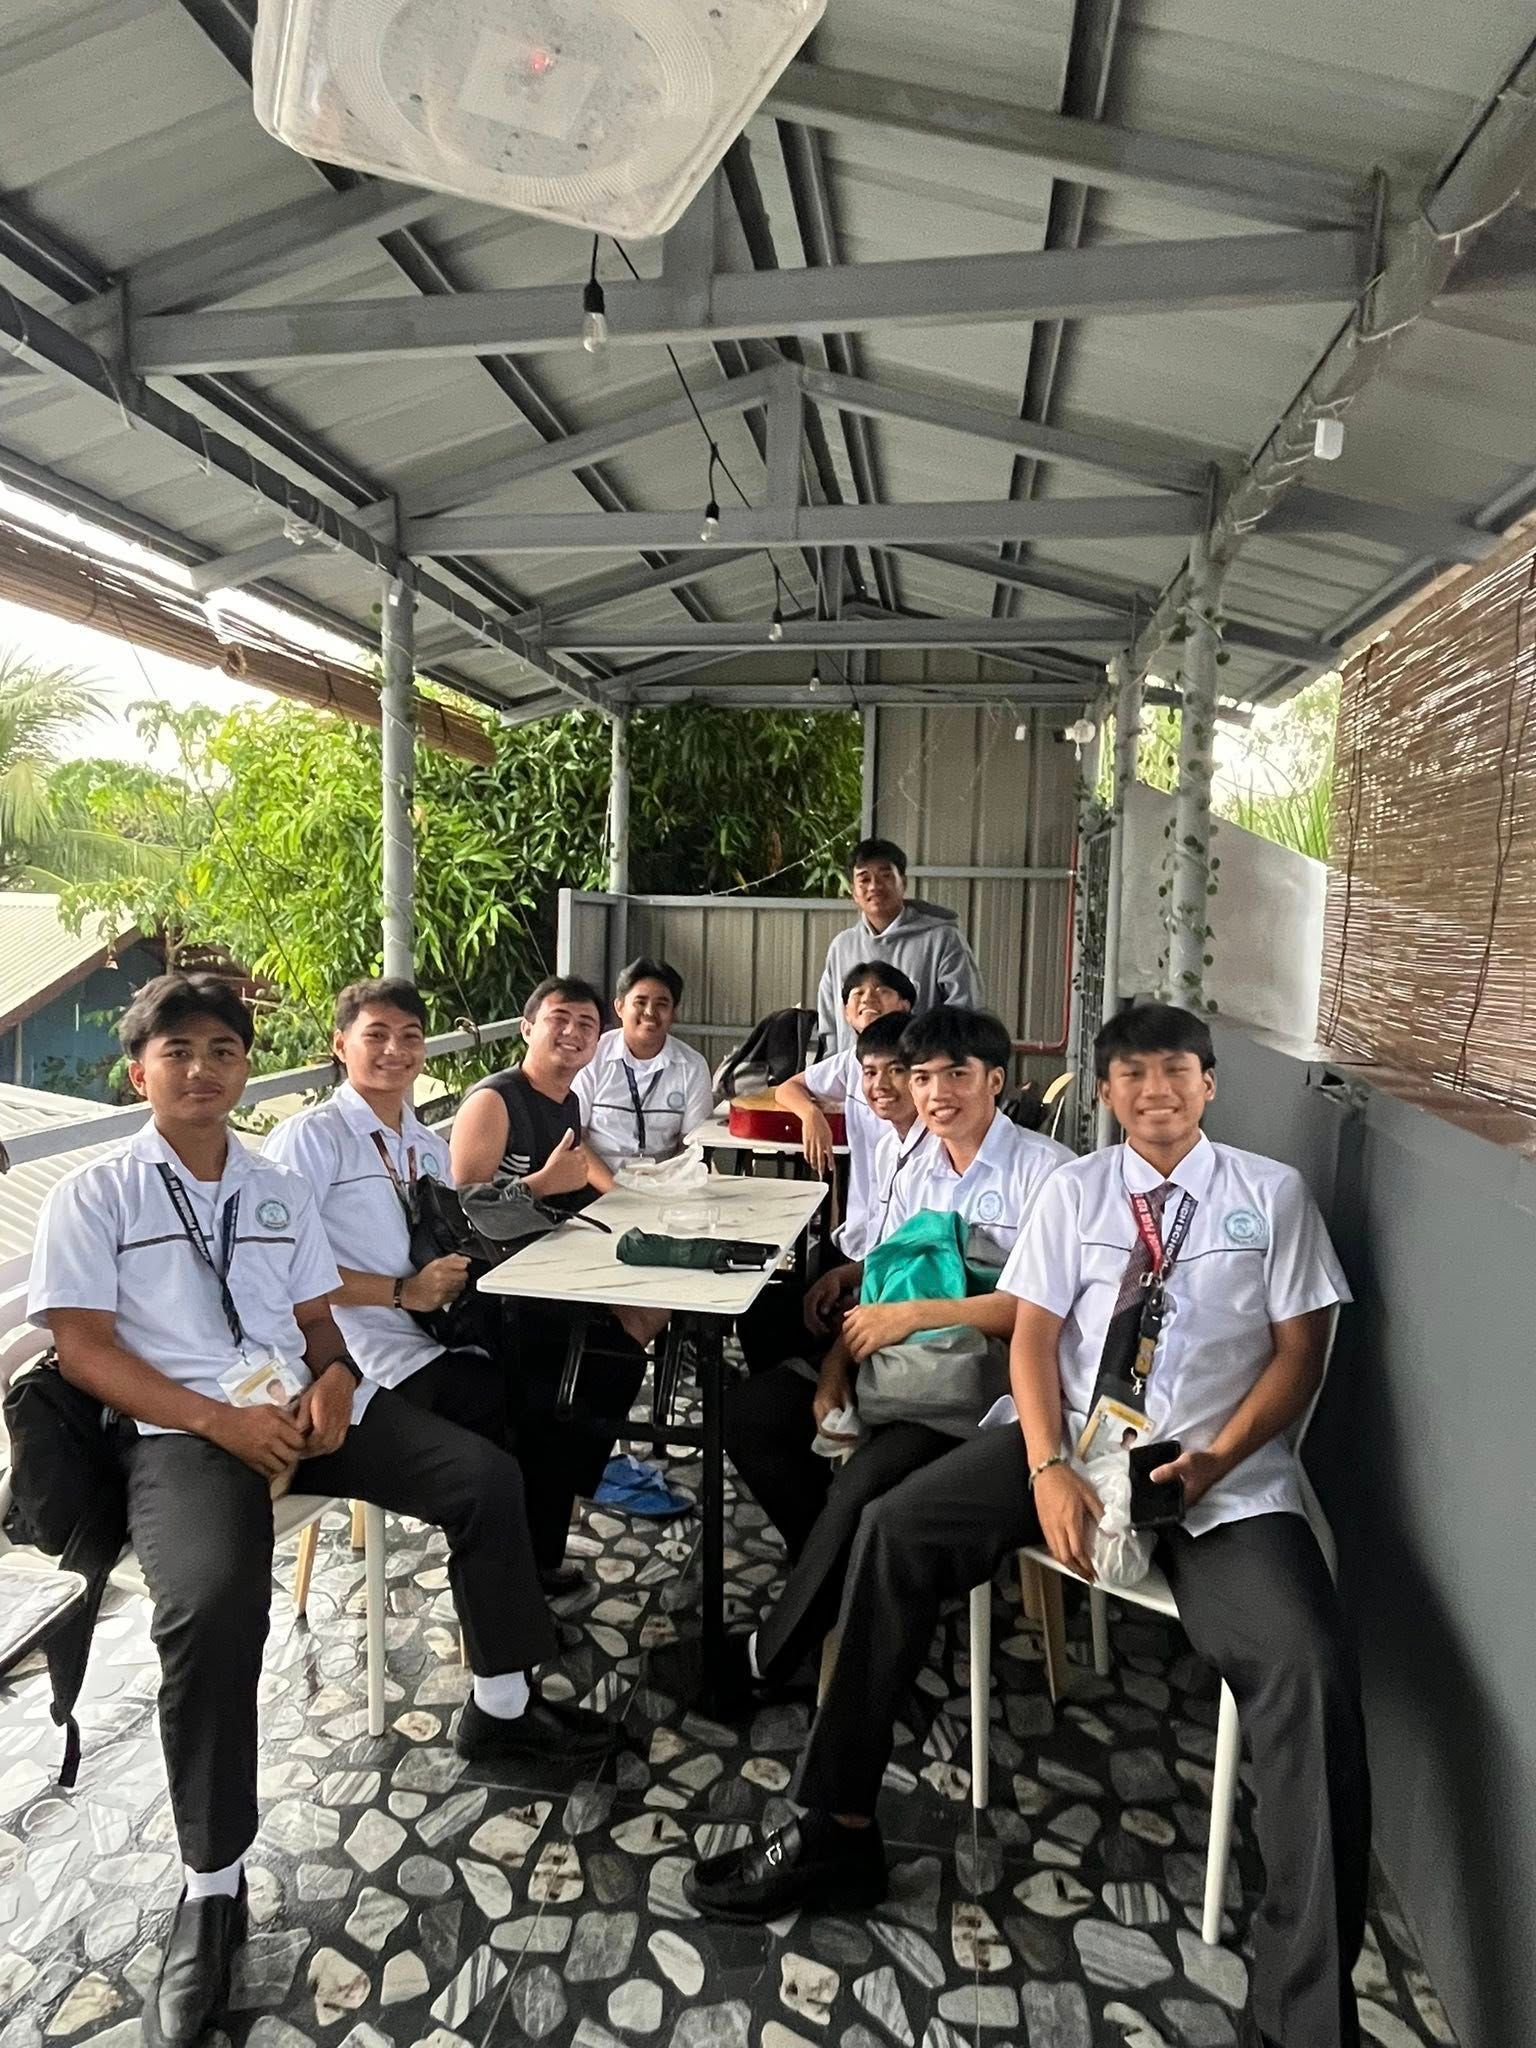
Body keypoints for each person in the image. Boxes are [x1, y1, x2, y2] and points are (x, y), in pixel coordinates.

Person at [689, 1003, 1367, 2048]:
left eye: (1175, 1070)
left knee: (1310, 1666)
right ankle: (837, 1825)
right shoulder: (1080, 1190)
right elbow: (1036, 1335)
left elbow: (1299, 1354)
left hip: (1220, 1475)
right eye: (1132, 1073)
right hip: (1071, 1443)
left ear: (1210, 1082)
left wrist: (1220, 1458)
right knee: (893, 1525)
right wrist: (1049, 1463)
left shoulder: (1270, 1196)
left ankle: (1305, 2009)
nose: (1155, 1090)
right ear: (1105, 1091)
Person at [27, 975, 614, 2048]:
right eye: (179, 1052)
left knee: (484, 1475)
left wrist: (336, 1378)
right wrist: (219, 1423)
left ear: (247, 1064)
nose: (203, 1070)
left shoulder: (269, 1185)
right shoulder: (98, 1192)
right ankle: (213, 1887)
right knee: (208, 1606)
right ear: (139, 1071)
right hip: (185, 1434)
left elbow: (314, 1316)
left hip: (311, 1405)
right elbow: (84, 1348)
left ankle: (498, 1699)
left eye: (223, 1050)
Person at [714, 1005, 1070, 1709]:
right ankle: (841, 1578)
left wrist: (914, 1314)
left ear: (995, 1080)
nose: (938, 1093)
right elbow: (879, 1280)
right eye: (925, 1076)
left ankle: (768, 1659)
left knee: (863, 1484)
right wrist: (836, 1373)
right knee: (752, 1414)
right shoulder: (916, 1167)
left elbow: (1040, 1312)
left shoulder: (1048, 1175)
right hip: (899, 1372)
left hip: (983, 1391)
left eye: (957, 1075)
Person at [263, 976, 577, 1590]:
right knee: (509, 1424)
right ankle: (508, 1594)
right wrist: (404, 1293)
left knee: (556, 1393)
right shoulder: (311, 1139)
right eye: (375, 1035)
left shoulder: (426, 1145)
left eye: (410, 1037)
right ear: (339, 1045)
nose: (395, 1051)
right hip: (359, 1356)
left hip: (431, 1336)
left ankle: (528, 1573)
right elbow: (277, 1273)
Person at [450, 976, 647, 1547]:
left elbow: (573, 1186)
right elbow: (469, 1216)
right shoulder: (494, 1100)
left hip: (550, 1279)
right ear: (527, 1027)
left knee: (622, 1348)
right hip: (494, 1298)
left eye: (587, 1025)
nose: (573, 1032)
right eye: (559, 1018)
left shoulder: (569, 1102)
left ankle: (551, 1522)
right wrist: (539, 1186)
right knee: (586, 1377)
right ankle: (536, 1543)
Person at [725, 1008, 923, 1553]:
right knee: (765, 1306)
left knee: (750, 1406)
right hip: (872, 1286)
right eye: (871, 1073)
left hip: (919, 1340)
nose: (881, 1086)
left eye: (900, 1072)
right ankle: (815, 1462)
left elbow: (921, 1280)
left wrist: (840, 1351)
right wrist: (847, 1273)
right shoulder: (893, 1144)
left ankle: (823, 1540)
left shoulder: (970, 1159)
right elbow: (893, 1255)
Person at [735, 965, 917, 1378]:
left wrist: (866, 1290)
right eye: (856, 994)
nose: (879, 1084)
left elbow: (918, 1257)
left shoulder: (933, 1143)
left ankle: (821, 1389)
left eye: (882, 991)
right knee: (762, 1308)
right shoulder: (851, 1069)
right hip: (863, 1246)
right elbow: (789, 1088)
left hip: (897, 1278)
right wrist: (810, 1115)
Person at [817, 838, 982, 1049]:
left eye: (885, 876)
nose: (874, 886)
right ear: (853, 892)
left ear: (903, 883)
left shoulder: (943, 939)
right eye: (864, 879)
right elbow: (829, 1019)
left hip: (918, 1073)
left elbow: (964, 1010)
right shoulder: (842, 946)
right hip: (854, 1075)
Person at [573, 956, 714, 1175]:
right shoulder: (592, 1055)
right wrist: (612, 1189)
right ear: (619, 1007)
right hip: (596, 1181)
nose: (650, 1012)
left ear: (674, 1013)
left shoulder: (692, 1066)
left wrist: (664, 1184)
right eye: (640, 1002)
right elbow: (575, 1139)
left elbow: (691, 1146)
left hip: (663, 1181)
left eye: (662, 1004)